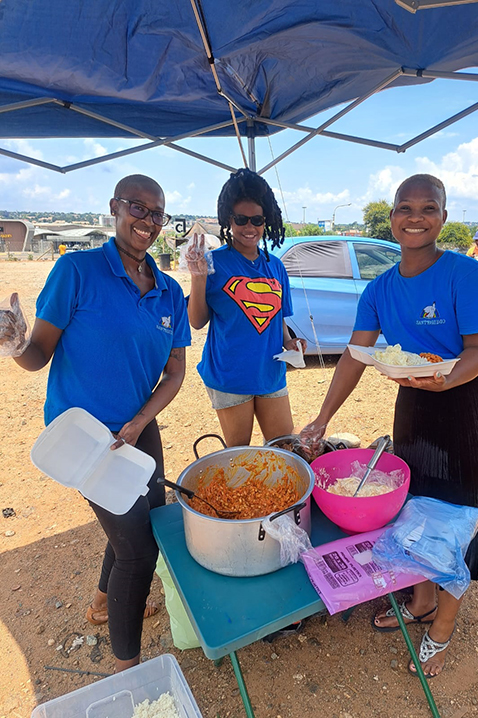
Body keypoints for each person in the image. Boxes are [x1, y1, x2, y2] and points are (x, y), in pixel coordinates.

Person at [302, 174, 478, 678]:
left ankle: (442, 627)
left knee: (458, 514)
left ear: (443, 217)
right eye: (404, 208)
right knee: (414, 507)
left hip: (465, 406)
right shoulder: (380, 288)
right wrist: (323, 417)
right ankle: (422, 601)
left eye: (427, 208)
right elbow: (354, 354)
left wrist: (448, 379)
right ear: (391, 217)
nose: (415, 217)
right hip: (413, 406)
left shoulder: (466, 275)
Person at [1, 174, 191, 673]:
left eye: (157, 213)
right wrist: (16, 344)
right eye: (137, 208)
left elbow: (175, 373)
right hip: (85, 437)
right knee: (138, 549)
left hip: (136, 427)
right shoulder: (77, 270)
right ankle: (128, 671)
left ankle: (104, 604)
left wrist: (139, 422)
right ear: (115, 207)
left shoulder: (169, 291)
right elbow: (40, 352)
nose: (147, 221)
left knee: (146, 519)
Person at [186, 168, 306, 446]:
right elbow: (196, 321)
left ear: (267, 221)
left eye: (257, 220)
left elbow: (277, 319)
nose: (249, 227)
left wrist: (291, 342)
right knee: (239, 456)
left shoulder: (275, 266)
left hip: (271, 374)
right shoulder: (213, 262)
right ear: (229, 219)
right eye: (241, 219)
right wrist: (198, 277)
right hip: (230, 375)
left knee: (286, 448)